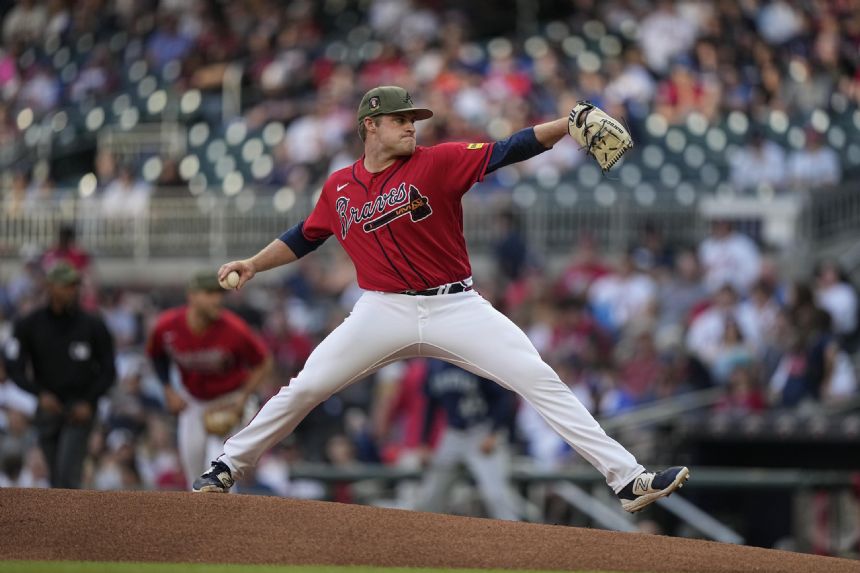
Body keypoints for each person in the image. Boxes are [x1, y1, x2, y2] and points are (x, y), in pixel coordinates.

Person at [193, 85, 689, 513]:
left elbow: (509, 148)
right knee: (304, 388)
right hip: (382, 309)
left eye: (414, 118)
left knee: (538, 377)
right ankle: (226, 466)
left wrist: (567, 123)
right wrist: (254, 264)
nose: (412, 126)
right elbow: (306, 234)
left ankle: (627, 479)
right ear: (370, 126)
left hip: (457, 306)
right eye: (400, 119)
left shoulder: (439, 161)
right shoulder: (339, 186)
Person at [146, 270, 273, 487]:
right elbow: (156, 355)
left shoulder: (234, 328)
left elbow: (264, 362)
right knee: (193, 471)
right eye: (210, 294)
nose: (217, 300)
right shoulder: (167, 326)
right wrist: (168, 390)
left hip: (230, 398)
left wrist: (243, 397)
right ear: (192, 296)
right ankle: (200, 520)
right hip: (194, 400)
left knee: (221, 468)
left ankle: (231, 518)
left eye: (219, 294)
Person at [3, 262, 116, 488]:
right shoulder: (29, 324)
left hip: (80, 408)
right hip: (48, 406)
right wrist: (39, 394)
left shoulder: (92, 324)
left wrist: (89, 402)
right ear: (50, 287)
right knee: (54, 473)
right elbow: (13, 365)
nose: (71, 291)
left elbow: (108, 371)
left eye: (74, 285)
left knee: (68, 471)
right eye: (65, 286)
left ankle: (72, 521)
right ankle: (62, 521)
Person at [416, 359, 520, 520]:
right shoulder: (435, 365)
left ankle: (518, 539)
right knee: (431, 494)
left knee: (496, 495)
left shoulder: (477, 359)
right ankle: (420, 536)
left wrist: (493, 433)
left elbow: (505, 399)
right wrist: (424, 442)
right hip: (453, 434)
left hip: (482, 431)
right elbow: (430, 405)